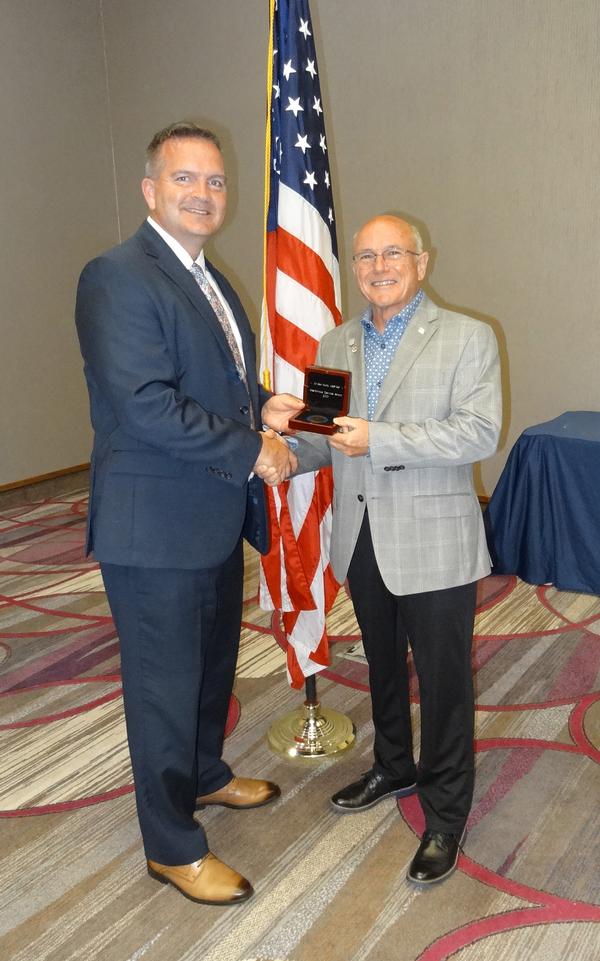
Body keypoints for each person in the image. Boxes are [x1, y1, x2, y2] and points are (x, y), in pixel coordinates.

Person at [75, 121, 304, 905]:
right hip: (153, 527)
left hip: (205, 515)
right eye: (185, 179)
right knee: (164, 686)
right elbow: (144, 405)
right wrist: (251, 450)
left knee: (208, 670)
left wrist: (259, 405)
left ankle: (203, 774)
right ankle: (171, 845)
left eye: (214, 181)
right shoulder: (116, 275)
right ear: (150, 190)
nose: (203, 193)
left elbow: (209, 383)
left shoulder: (206, 275)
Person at [292, 214, 502, 884]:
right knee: (382, 663)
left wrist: (377, 438)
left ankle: (445, 811)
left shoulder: (469, 337)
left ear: (422, 260)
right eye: (365, 257)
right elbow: (326, 437)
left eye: (393, 253)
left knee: (443, 683)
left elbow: (476, 433)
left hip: (435, 542)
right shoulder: (334, 341)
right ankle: (392, 764)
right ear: (353, 269)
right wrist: (280, 446)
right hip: (361, 538)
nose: (378, 266)